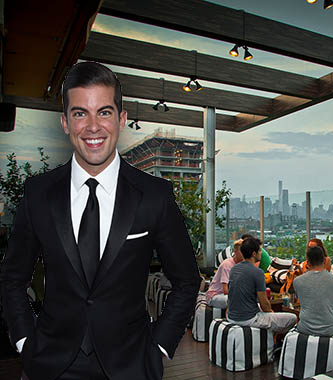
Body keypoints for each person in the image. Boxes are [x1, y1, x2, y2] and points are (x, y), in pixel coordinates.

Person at [0, 62, 201, 380]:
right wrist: (25, 340)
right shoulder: (39, 193)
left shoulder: (154, 195)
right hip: (49, 365)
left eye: (104, 112)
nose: (93, 126)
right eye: (80, 113)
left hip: (131, 366)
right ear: (65, 122)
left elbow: (187, 281)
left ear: (121, 119)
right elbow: (12, 278)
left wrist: (160, 346)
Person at [294, 245, 333, 367]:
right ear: (324, 260)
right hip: (330, 329)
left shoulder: (298, 281)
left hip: (305, 327)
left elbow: (302, 303)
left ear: (308, 262)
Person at [227, 237, 297, 333]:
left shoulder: (234, 269)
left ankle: (268, 337)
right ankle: (276, 342)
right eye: (260, 250)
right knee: (292, 318)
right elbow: (264, 304)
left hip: (231, 317)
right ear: (254, 254)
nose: (261, 253)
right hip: (248, 319)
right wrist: (271, 314)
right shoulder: (258, 272)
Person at [205, 239, 243, 308]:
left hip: (226, 295)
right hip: (215, 295)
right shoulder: (227, 264)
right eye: (242, 252)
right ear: (235, 251)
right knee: (233, 300)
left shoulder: (241, 265)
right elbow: (226, 290)